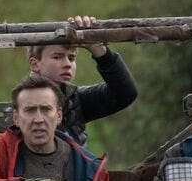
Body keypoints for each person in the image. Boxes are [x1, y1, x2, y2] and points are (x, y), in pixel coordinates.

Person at [27, 15, 137, 146]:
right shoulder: (22, 106)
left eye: (71, 58)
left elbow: (125, 94)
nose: (68, 64)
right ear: (35, 64)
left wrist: (96, 48)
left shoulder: (74, 99)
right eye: (57, 57)